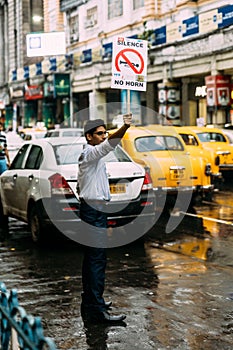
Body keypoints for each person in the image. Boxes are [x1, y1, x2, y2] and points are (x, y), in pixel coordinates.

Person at [77, 113, 132, 324]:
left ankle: (91, 302)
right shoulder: (90, 152)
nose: (103, 137)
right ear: (89, 137)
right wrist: (124, 128)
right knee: (96, 260)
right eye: (99, 134)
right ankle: (97, 310)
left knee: (93, 259)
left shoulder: (92, 157)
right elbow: (109, 145)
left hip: (95, 210)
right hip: (93, 212)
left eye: (104, 133)